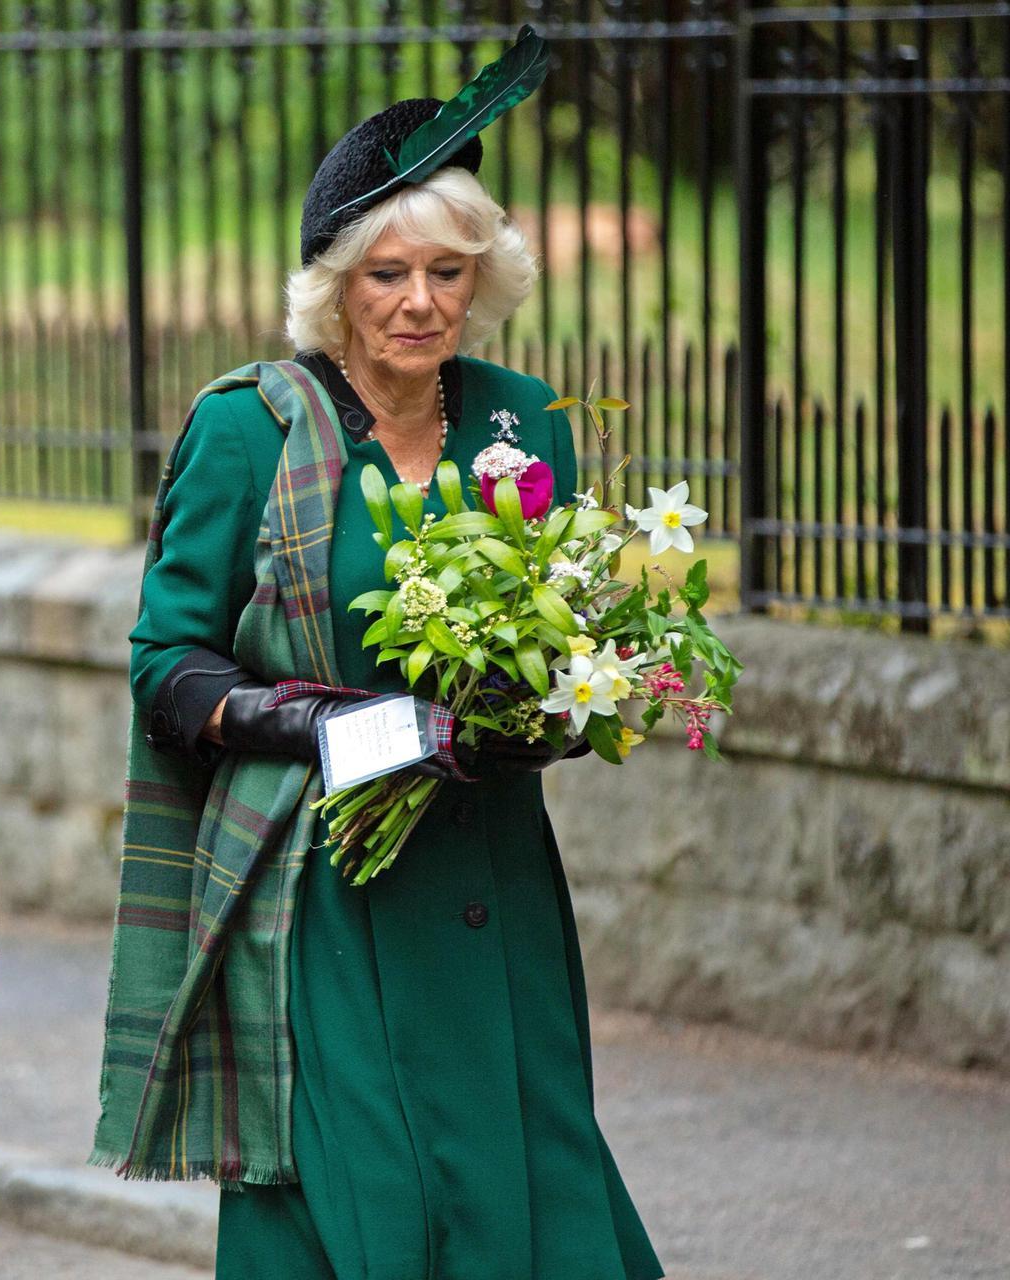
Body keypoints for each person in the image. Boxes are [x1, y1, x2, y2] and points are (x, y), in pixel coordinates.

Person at [93, 29, 662, 1280]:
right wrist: (331, 725)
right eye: (386, 272)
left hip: (488, 872)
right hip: (323, 887)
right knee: (372, 1191)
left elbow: (568, 624)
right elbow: (165, 662)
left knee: (529, 1156)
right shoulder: (250, 429)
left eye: (449, 272)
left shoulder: (528, 419)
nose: (419, 302)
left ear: (485, 276)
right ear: (337, 285)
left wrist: (561, 705)